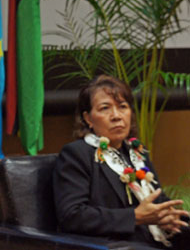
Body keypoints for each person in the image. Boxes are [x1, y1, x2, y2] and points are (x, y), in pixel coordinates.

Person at [53, 75, 189, 249]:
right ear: (88, 118)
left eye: (123, 107)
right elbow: (72, 216)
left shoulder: (137, 153)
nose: (116, 116)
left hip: (159, 241)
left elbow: (158, 201)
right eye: (105, 108)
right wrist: (135, 216)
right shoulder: (77, 154)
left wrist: (170, 217)